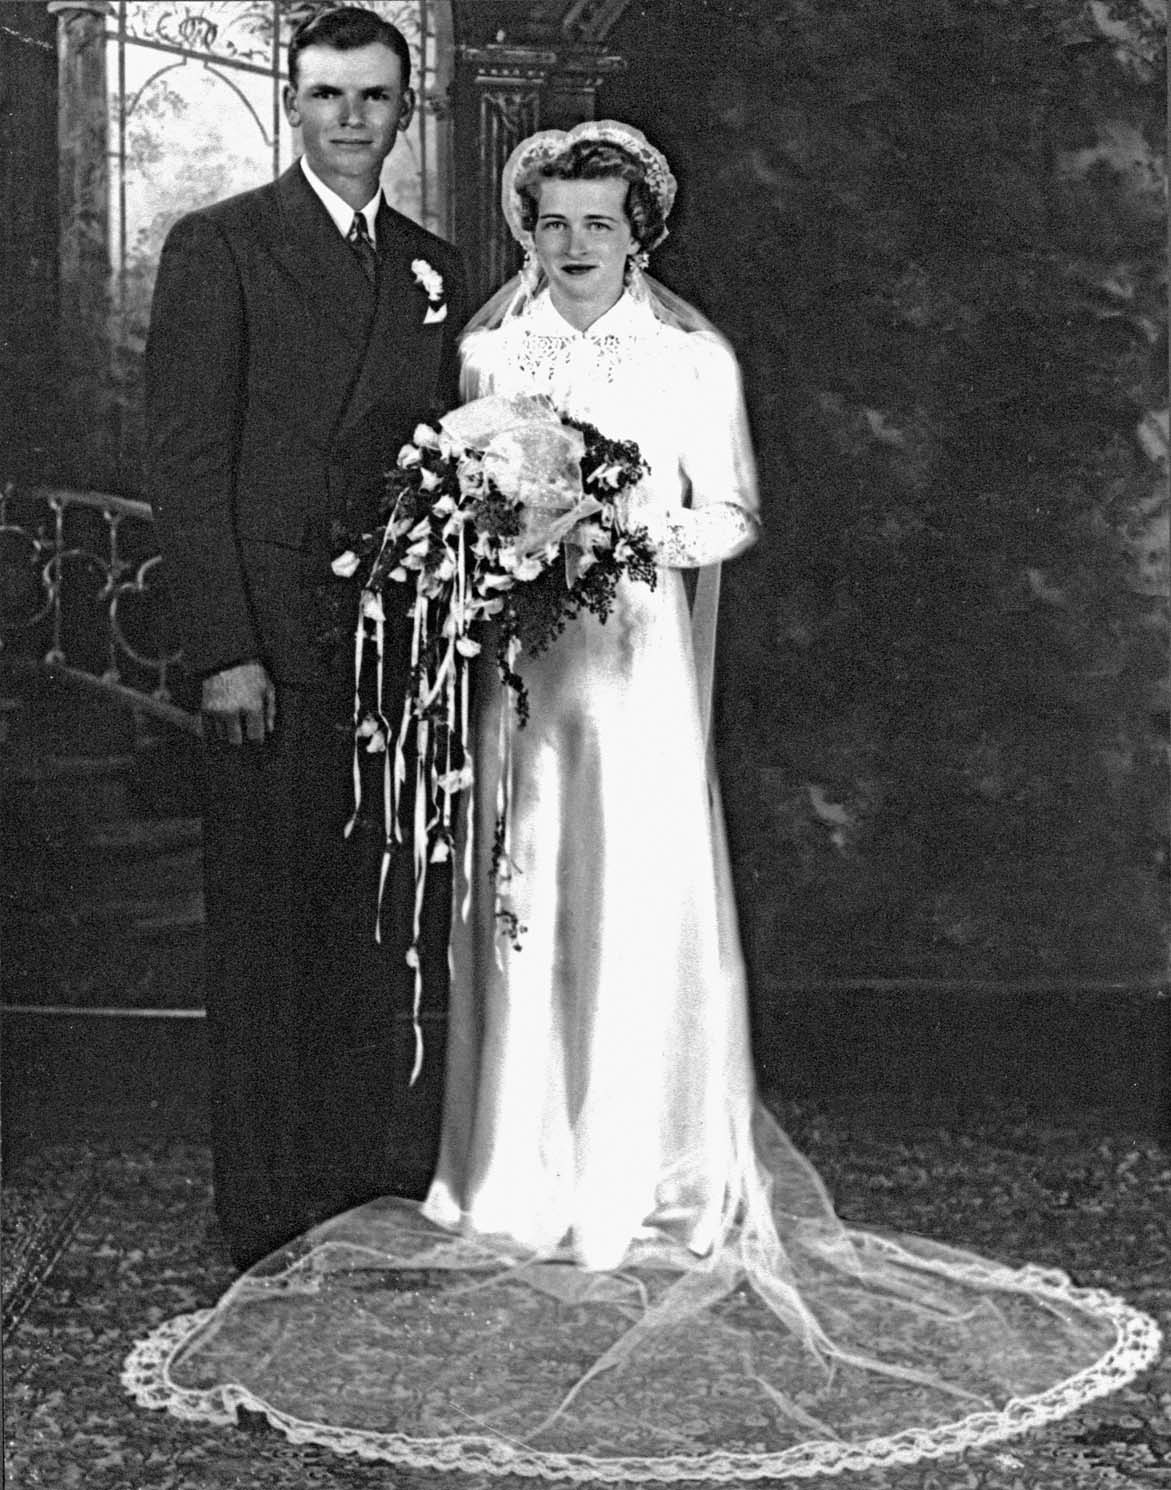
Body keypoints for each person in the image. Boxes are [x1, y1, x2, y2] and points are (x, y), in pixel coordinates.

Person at [125, 122, 1159, 1480]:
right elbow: (445, 484)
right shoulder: (490, 354)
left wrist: (620, 528)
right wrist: (481, 534)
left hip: (630, 666)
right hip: (519, 675)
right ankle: (511, 1172)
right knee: (520, 888)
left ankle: (645, 1172)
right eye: (548, 224)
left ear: (640, 234)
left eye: (595, 226)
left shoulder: (688, 360)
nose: (568, 248)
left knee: (628, 888)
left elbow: (725, 510)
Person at [144, 6, 466, 1271]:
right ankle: (266, 1206)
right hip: (268, 650)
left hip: (390, 654)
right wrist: (224, 647)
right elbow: (185, 458)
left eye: (374, 96)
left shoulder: (432, 265)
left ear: (403, 107)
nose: (350, 118)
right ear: (294, 102)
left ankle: (358, 1174)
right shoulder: (220, 246)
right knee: (265, 925)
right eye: (328, 94)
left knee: (369, 920)